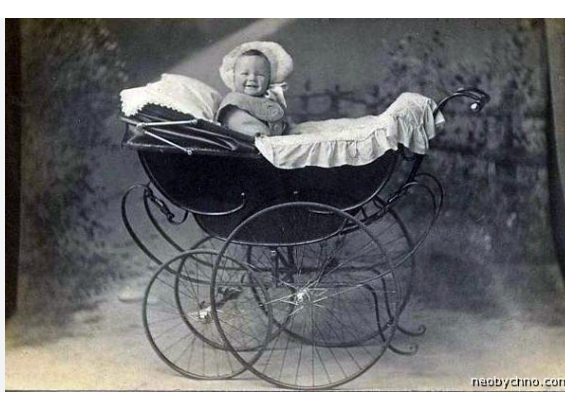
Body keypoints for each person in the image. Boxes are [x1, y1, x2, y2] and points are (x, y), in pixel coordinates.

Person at [216, 41, 293, 138]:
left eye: (260, 75)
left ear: (269, 79)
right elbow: (240, 122)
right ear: (233, 77)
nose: (252, 78)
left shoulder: (270, 98)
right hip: (251, 141)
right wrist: (259, 133)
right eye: (245, 74)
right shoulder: (234, 101)